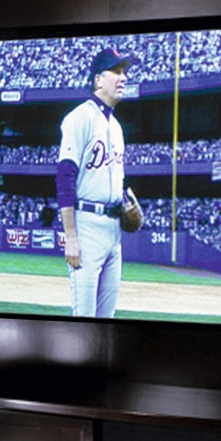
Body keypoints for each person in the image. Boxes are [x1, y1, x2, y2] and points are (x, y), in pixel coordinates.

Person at [56, 46, 134, 317]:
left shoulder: (117, 127)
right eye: (116, 71)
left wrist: (127, 203)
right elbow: (65, 176)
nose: (123, 77)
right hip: (86, 227)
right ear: (98, 80)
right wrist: (71, 237)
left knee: (107, 320)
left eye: (125, 71)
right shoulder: (80, 117)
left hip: (114, 230)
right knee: (84, 318)